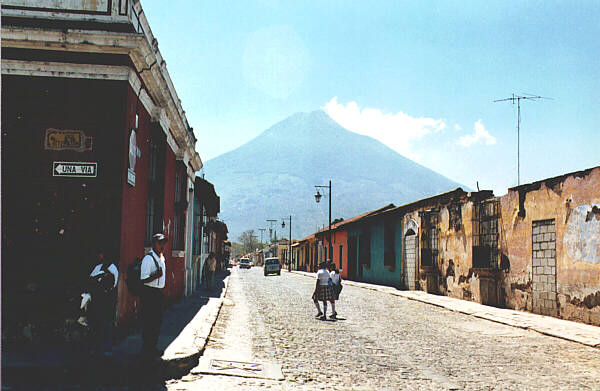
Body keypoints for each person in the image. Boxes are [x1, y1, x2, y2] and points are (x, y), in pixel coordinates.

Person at [139, 233, 167, 358]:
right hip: (149, 294)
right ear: (154, 244)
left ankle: (152, 348)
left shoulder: (161, 258)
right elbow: (143, 279)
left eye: (163, 243)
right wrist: (156, 276)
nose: (162, 246)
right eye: (160, 243)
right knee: (149, 323)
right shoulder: (148, 259)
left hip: (158, 294)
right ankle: (146, 350)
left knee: (157, 322)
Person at [87, 248, 118, 356]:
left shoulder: (112, 268)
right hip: (97, 300)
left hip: (107, 300)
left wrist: (98, 279)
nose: (100, 256)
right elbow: (90, 280)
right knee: (96, 324)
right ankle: (96, 347)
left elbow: (109, 284)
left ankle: (107, 349)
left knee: (107, 324)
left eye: (102, 254)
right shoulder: (98, 267)